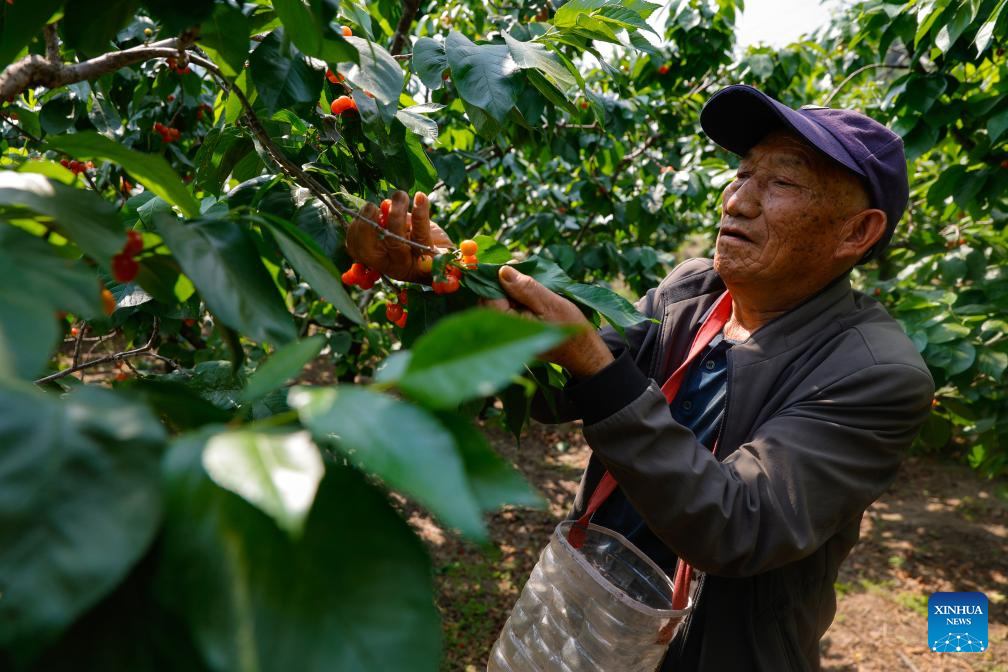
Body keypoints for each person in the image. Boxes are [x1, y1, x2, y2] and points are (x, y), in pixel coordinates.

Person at [346, 84, 935, 671]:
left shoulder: (875, 373)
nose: (737, 201)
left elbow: (736, 524)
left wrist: (591, 363)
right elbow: (560, 395)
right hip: (596, 615)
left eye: (782, 182)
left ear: (856, 232)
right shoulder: (694, 291)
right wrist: (449, 282)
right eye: (742, 174)